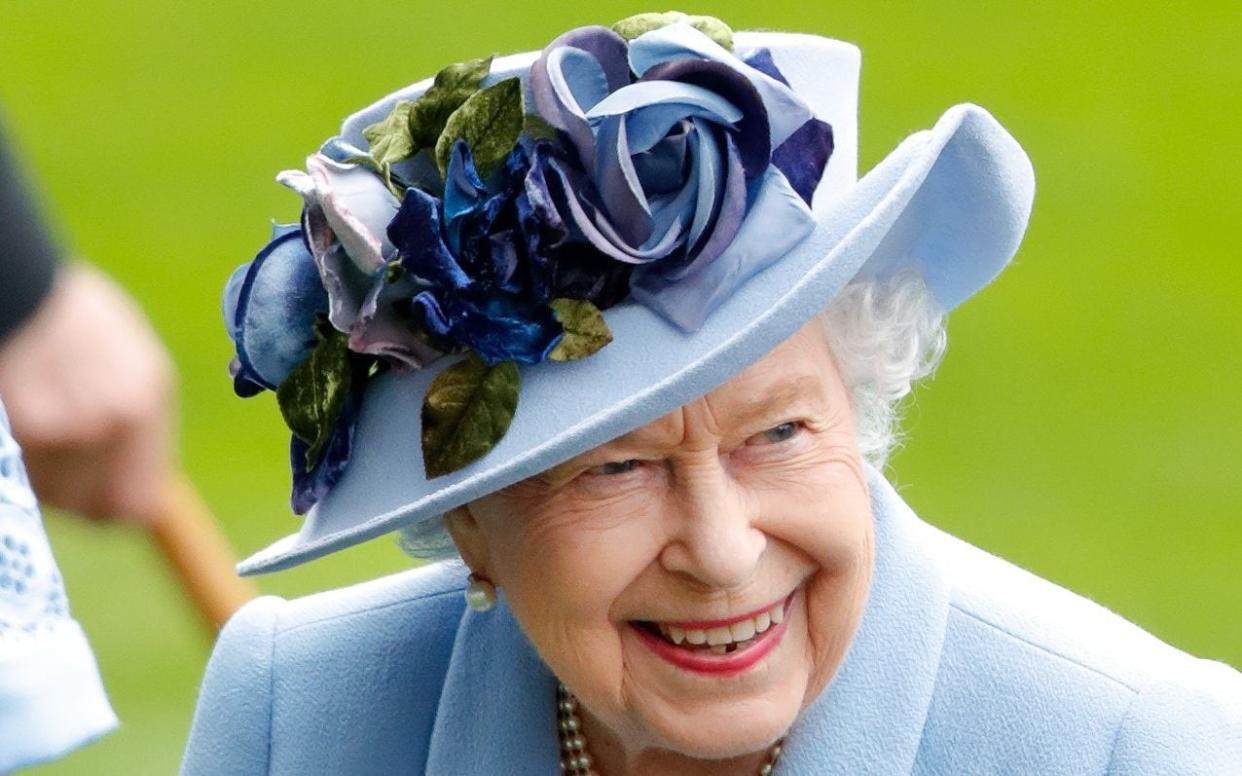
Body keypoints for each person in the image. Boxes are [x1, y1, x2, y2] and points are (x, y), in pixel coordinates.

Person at [182, 14, 1242, 774]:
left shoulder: (1132, 744)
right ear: (470, 517)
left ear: (857, 409)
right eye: (618, 465)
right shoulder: (294, 715)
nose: (724, 549)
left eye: (779, 431)